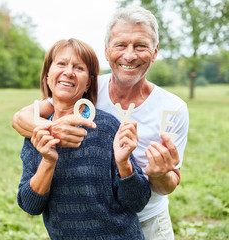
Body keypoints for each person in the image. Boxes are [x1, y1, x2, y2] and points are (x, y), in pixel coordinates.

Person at [12, 6, 189, 240]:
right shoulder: (84, 92)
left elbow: (169, 183)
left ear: (154, 52)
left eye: (140, 46)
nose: (129, 55)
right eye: (120, 45)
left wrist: (157, 174)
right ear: (106, 51)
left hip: (149, 219)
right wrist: (51, 134)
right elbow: (22, 117)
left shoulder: (173, 108)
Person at [17, 38, 151, 239]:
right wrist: (48, 161)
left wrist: (124, 164)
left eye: (78, 68)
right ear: (47, 76)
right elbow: (30, 205)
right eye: (61, 64)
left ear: (88, 82)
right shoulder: (37, 131)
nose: (68, 72)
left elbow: (138, 201)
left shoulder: (106, 126)